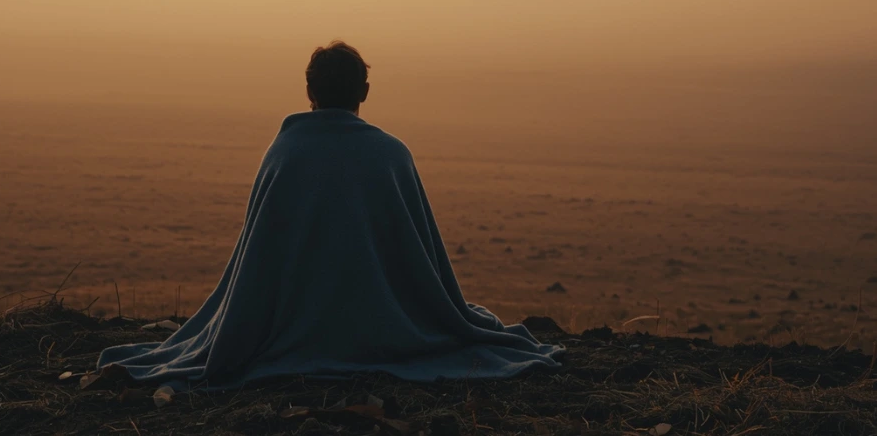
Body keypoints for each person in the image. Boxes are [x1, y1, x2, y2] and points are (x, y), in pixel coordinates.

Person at [96, 41, 562, 390]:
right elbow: (423, 265)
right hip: (386, 326)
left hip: (289, 323)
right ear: (365, 90)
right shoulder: (391, 154)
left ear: (308, 91)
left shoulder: (285, 151)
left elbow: (258, 264)